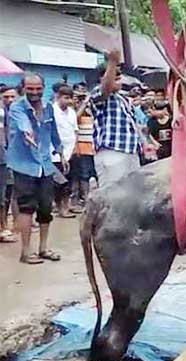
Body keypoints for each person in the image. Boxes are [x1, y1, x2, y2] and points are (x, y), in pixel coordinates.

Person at [6, 73, 68, 264]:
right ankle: (26, 252)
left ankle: (43, 248)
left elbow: (54, 133)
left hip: (45, 165)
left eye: (38, 88)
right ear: (23, 88)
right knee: (26, 208)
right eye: (30, 89)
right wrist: (27, 133)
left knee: (46, 208)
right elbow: (23, 124)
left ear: (44, 88)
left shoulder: (48, 108)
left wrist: (61, 153)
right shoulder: (17, 107)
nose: (34, 92)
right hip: (24, 165)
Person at [89, 50, 145, 188]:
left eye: (120, 76)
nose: (118, 78)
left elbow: (132, 126)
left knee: (131, 195)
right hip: (113, 152)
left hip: (130, 152)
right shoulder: (97, 93)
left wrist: (144, 143)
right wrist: (112, 63)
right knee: (113, 195)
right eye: (115, 75)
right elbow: (105, 89)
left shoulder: (123, 99)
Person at [51, 85, 78, 218]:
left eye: (70, 98)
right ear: (58, 97)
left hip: (70, 152)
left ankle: (66, 207)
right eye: (66, 98)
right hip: (56, 153)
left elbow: (75, 132)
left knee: (69, 182)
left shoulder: (72, 112)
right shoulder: (51, 111)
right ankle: (59, 208)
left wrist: (74, 149)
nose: (69, 101)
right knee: (58, 184)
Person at [71, 89, 96, 210]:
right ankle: (86, 199)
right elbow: (75, 118)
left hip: (96, 150)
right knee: (84, 176)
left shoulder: (94, 114)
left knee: (96, 175)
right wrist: (84, 103)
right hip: (83, 150)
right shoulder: (78, 115)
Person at [0, 86, 18, 242]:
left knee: (6, 193)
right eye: (6, 97)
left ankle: (4, 226)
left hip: (6, 157)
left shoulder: (9, 113)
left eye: (13, 97)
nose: (10, 100)